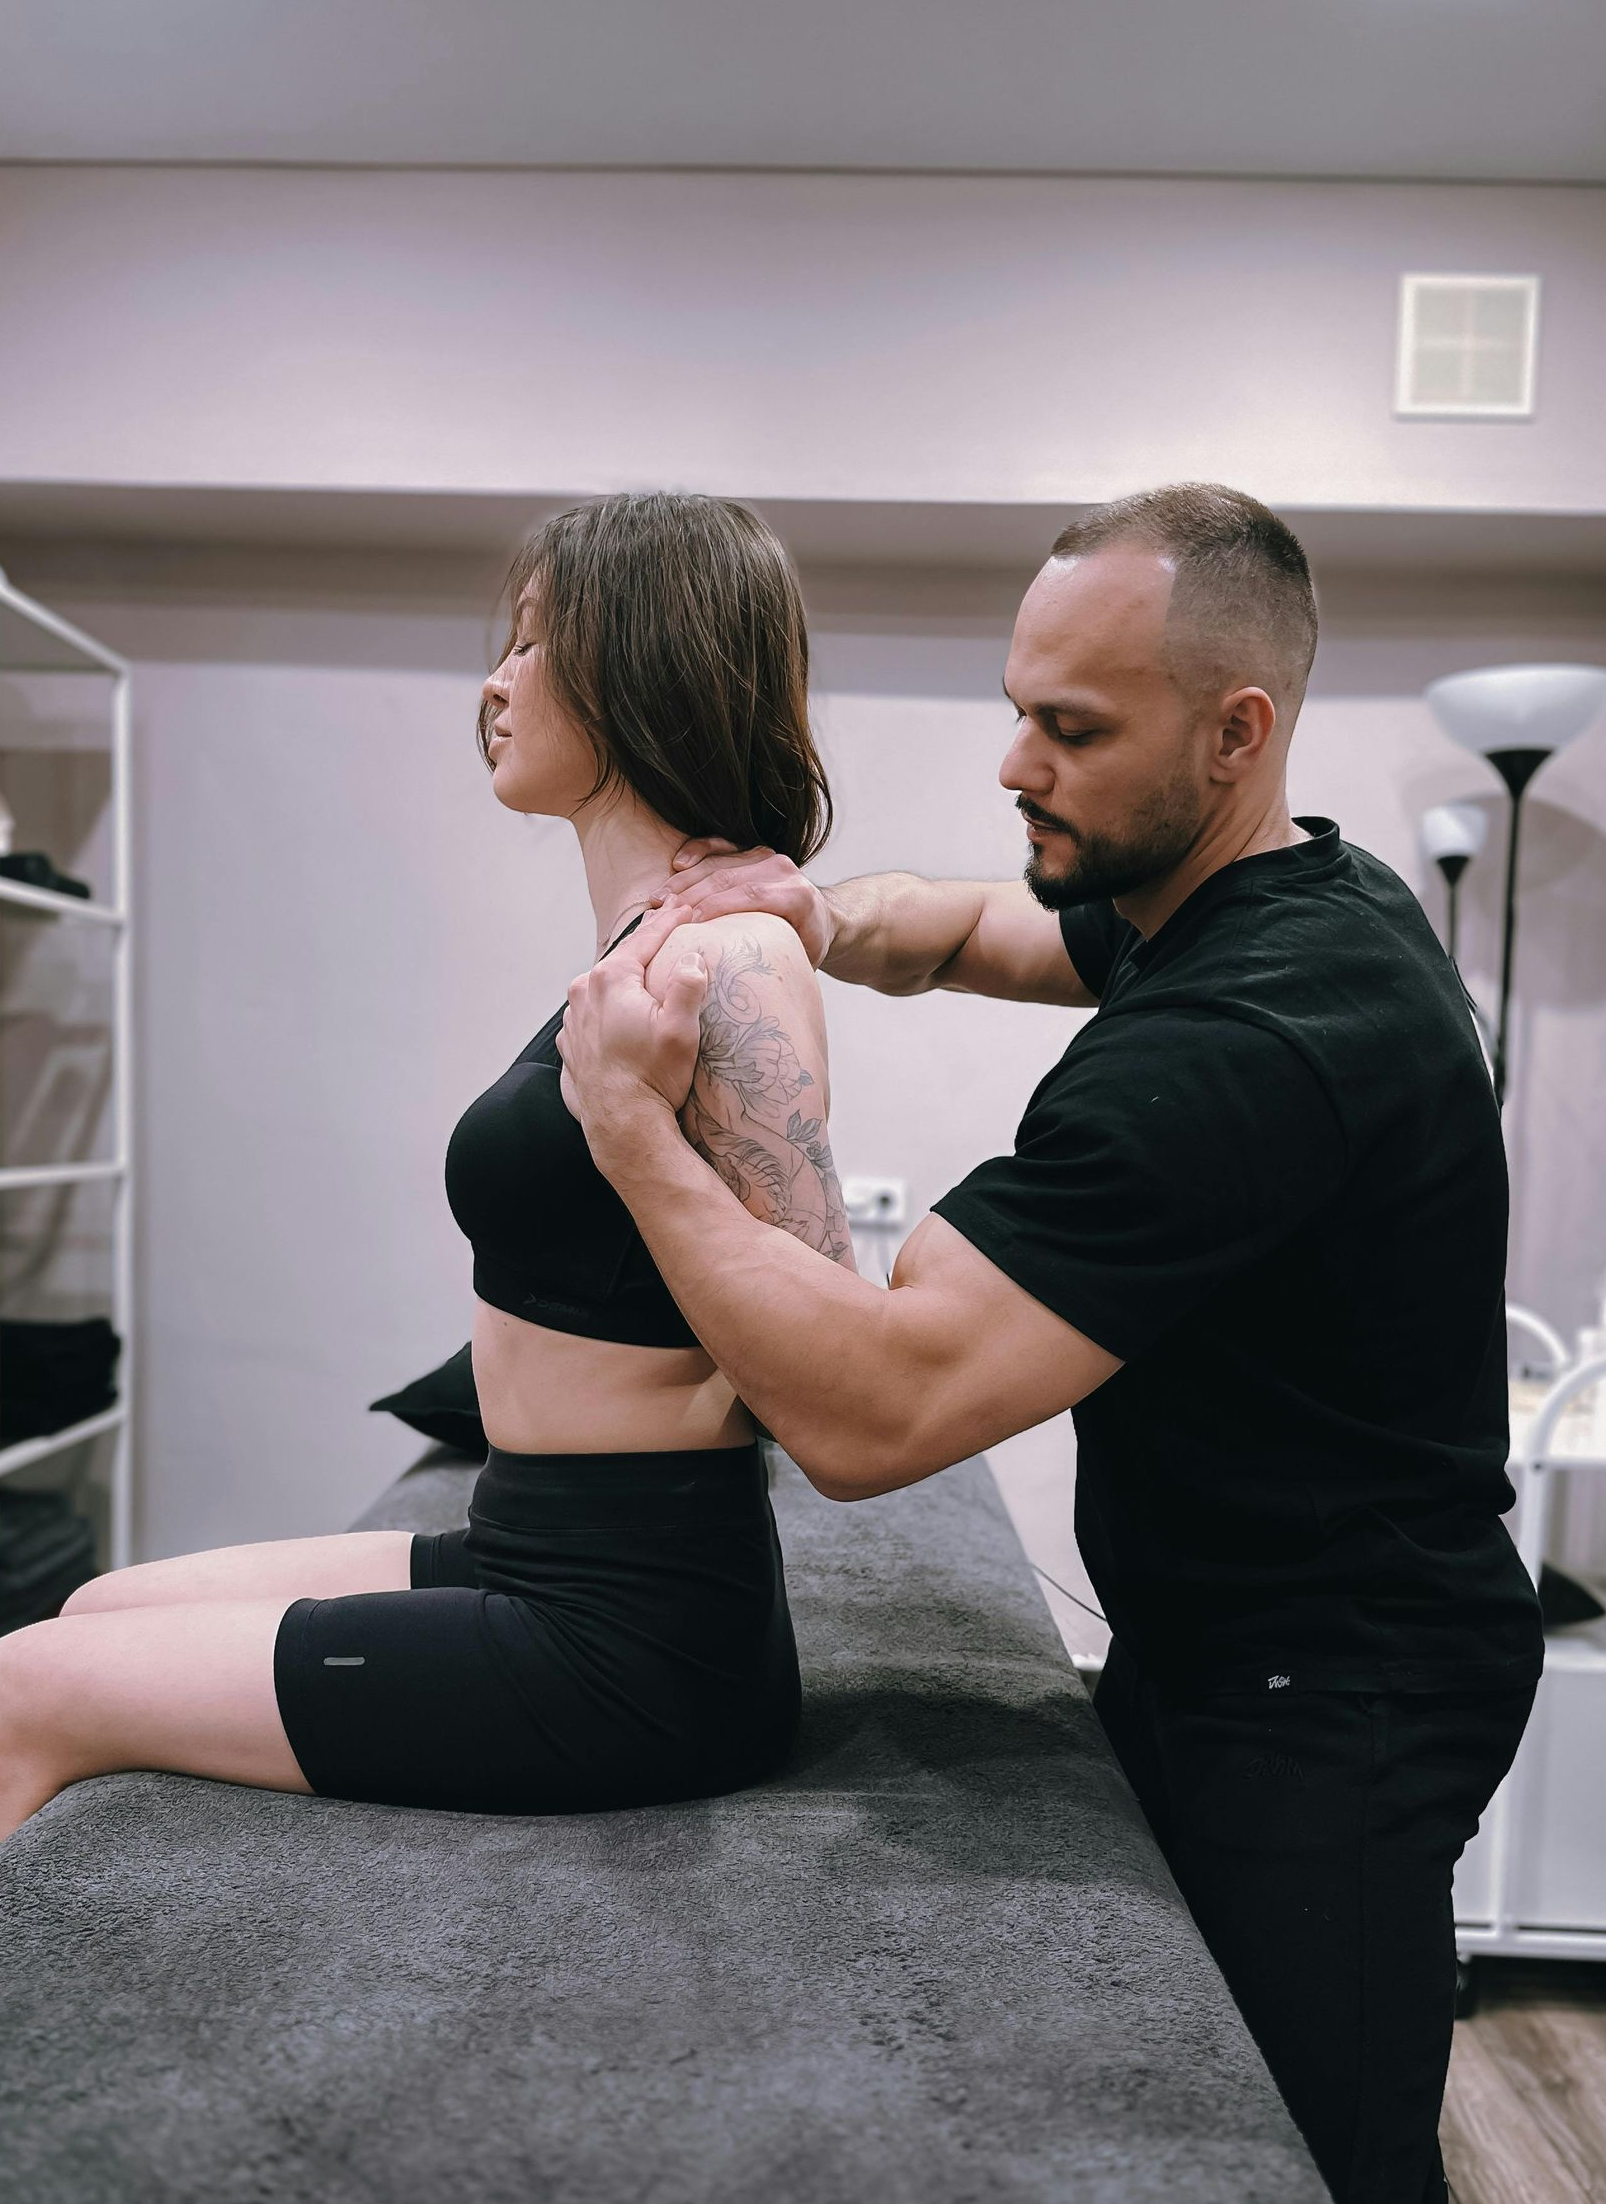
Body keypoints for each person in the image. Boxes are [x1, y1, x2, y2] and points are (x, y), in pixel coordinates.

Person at [556, 482, 1544, 2204]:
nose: (1016, 763)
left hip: (1339, 1691)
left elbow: (877, 1413)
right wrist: (802, 914)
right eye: (1020, 708)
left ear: (1236, 733)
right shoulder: (1259, 892)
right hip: (1218, 1638)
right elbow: (971, 928)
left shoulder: (1256, 1034)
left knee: (1308, 2152)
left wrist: (634, 1135)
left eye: (1069, 729)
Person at [0, 490, 851, 1896]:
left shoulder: (730, 963)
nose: (493, 684)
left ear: (639, 661)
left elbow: (827, 1358)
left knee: (15, 1688)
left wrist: (634, 1138)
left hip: (633, 1637)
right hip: (527, 1544)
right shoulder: (654, 943)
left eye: (535, 645)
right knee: (95, 1604)